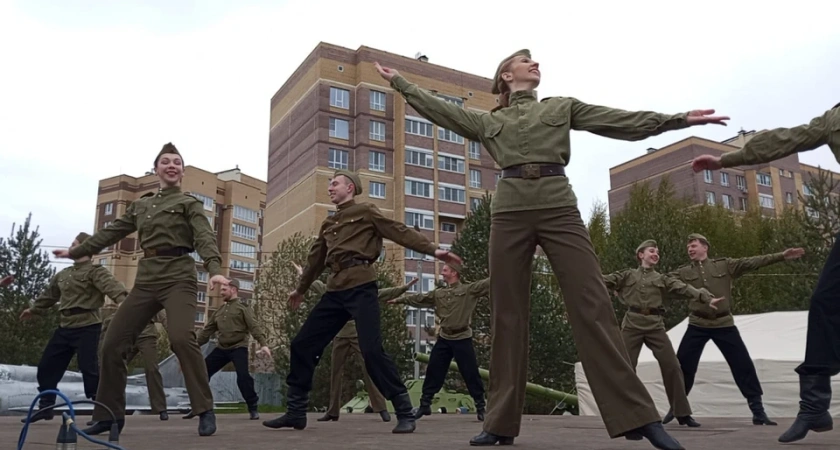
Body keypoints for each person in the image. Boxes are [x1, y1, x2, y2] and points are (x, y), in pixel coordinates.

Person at [376, 49, 728, 449]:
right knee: (507, 314)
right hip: (509, 212)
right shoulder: (489, 121)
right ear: (507, 76)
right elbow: (440, 110)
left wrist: (676, 120)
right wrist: (400, 81)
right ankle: (499, 423)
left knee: (593, 303)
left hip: (559, 206)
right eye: (525, 61)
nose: (535, 63)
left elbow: (617, 121)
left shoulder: (561, 107)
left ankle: (639, 417)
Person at [261, 169, 462, 435]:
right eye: (329, 184)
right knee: (302, 344)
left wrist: (434, 250)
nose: (330, 188)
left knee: (371, 351)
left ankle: (404, 411)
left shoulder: (366, 212)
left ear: (350, 188)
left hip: (362, 287)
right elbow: (315, 260)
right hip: (335, 291)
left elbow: (398, 231)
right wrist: (300, 289)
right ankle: (296, 412)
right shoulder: (329, 223)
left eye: (335, 184)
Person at [52, 143, 228, 437]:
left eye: (177, 162)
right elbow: (112, 232)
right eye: (165, 162)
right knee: (112, 344)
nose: (171, 166)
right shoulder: (141, 206)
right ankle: (109, 415)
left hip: (179, 276)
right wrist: (78, 251)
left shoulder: (189, 204)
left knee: (181, 338)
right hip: (146, 279)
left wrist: (215, 270)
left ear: (182, 171)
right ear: (156, 169)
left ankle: (204, 408)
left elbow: (204, 238)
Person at [690, 102, 839, 443]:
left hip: (721, 325)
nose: (692, 249)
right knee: (825, 301)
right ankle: (814, 405)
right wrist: (725, 161)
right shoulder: (834, 118)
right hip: (702, 324)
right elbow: (784, 140)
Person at [665, 234, 805, 427]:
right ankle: (678, 411)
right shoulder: (683, 272)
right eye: (688, 246)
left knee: (743, 365)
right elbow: (667, 282)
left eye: (694, 245)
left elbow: (753, 262)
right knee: (683, 367)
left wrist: (781, 256)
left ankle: (758, 411)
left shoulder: (725, 265)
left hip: (724, 324)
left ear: (705, 247)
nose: (690, 249)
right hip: (698, 323)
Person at [602, 239, 723, 428]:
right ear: (641, 255)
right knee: (625, 367)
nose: (655, 254)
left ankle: (681, 413)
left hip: (655, 325)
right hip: (632, 324)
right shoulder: (627, 275)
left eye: (657, 252)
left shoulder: (662, 279)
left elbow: (683, 288)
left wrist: (705, 297)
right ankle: (627, 414)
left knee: (672, 366)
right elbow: (602, 280)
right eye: (651, 251)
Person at [19, 232, 128, 423]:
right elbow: (49, 296)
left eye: (75, 244)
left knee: (90, 370)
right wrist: (34, 309)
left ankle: (102, 414)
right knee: (46, 367)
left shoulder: (95, 271)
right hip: (65, 326)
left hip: (88, 326)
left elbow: (113, 287)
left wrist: (123, 302)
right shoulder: (64, 274)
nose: (71, 246)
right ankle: (46, 406)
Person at [295, 262, 418, 423]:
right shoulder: (332, 291)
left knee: (369, 369)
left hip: (356, 335)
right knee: (335, 373)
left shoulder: (361, 292)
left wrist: (405, 287)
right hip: (340, 335)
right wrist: (302, 274)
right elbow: (315, 284)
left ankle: (381, 407)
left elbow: (384, 293)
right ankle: (332, 411)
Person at [386, 262, 489, 422]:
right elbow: (420, 298)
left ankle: (481, 407)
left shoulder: (469, 290)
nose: (442, 272)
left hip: (462, 337)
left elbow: (490, 282)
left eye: (445, 270)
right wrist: (399, 300)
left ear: (454, 273)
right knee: (434, 370)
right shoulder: (439, 293)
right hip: (445, 337)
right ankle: (425, 404)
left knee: (470, 373)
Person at [184, 278, 271, 421]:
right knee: (202, 373)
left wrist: (263, 344)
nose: (221, 292)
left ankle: (253, 407)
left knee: (243, 377)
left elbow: (254, 326)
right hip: (222, 348)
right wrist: (191, 347)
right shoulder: (219, 311)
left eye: (224, 289)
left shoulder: (243, 308)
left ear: (234, 289)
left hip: (238, 347)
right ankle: (199, 406)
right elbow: (206, 332)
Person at [90, 301, 169, 424]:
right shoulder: (127, 298)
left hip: (146, 335)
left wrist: (176, 338)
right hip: (129, 335)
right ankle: (104, 413)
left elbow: (164, 317)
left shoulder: (150, 296)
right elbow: (112, 318)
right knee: (112, 369)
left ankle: (161, 408)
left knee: (152, 369)